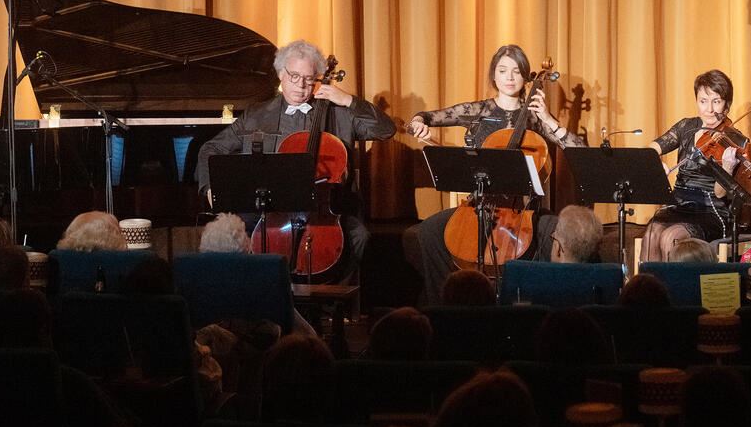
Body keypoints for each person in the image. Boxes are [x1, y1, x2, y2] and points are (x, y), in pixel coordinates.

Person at [195, 39, 395, 280]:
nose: (301, 86)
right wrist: (209, 187)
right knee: (232, 233)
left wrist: (349, 101)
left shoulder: (339, 114)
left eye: (310, 79)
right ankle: (260, 297)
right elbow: (211, 148)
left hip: (327, 211)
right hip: (269, 210)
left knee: (359, 236)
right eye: (294, 76)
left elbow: (386, 130)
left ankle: (334, 300)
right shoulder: (257, 115)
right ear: (281, 74)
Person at [408, 45, 586, 304]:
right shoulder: (477, 111)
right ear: (494, 75)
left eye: (516, 71)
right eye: (503, 70)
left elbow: (579, 151)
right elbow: (426, 116)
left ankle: (537, 306)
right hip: (477, 204)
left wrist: (549, 120)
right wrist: (417, 123)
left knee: (555, 232)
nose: (509, 77)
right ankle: (444, 303)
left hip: (521, 210)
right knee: (428, 232)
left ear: (526, 77)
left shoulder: (536, 118)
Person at [641, 69, 747, 261]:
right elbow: (651, 149)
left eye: (716, 101)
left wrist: (728, 168)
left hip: (711, 210)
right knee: (651, 235)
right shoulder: (686, 127)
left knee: (670, 237)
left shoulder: (732, 140)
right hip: (679, 204)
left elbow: (720, 194)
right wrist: (656, 166)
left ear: (727, 105)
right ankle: (649, 289)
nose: (709, 109)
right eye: (703, 101)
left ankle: (675, 289)